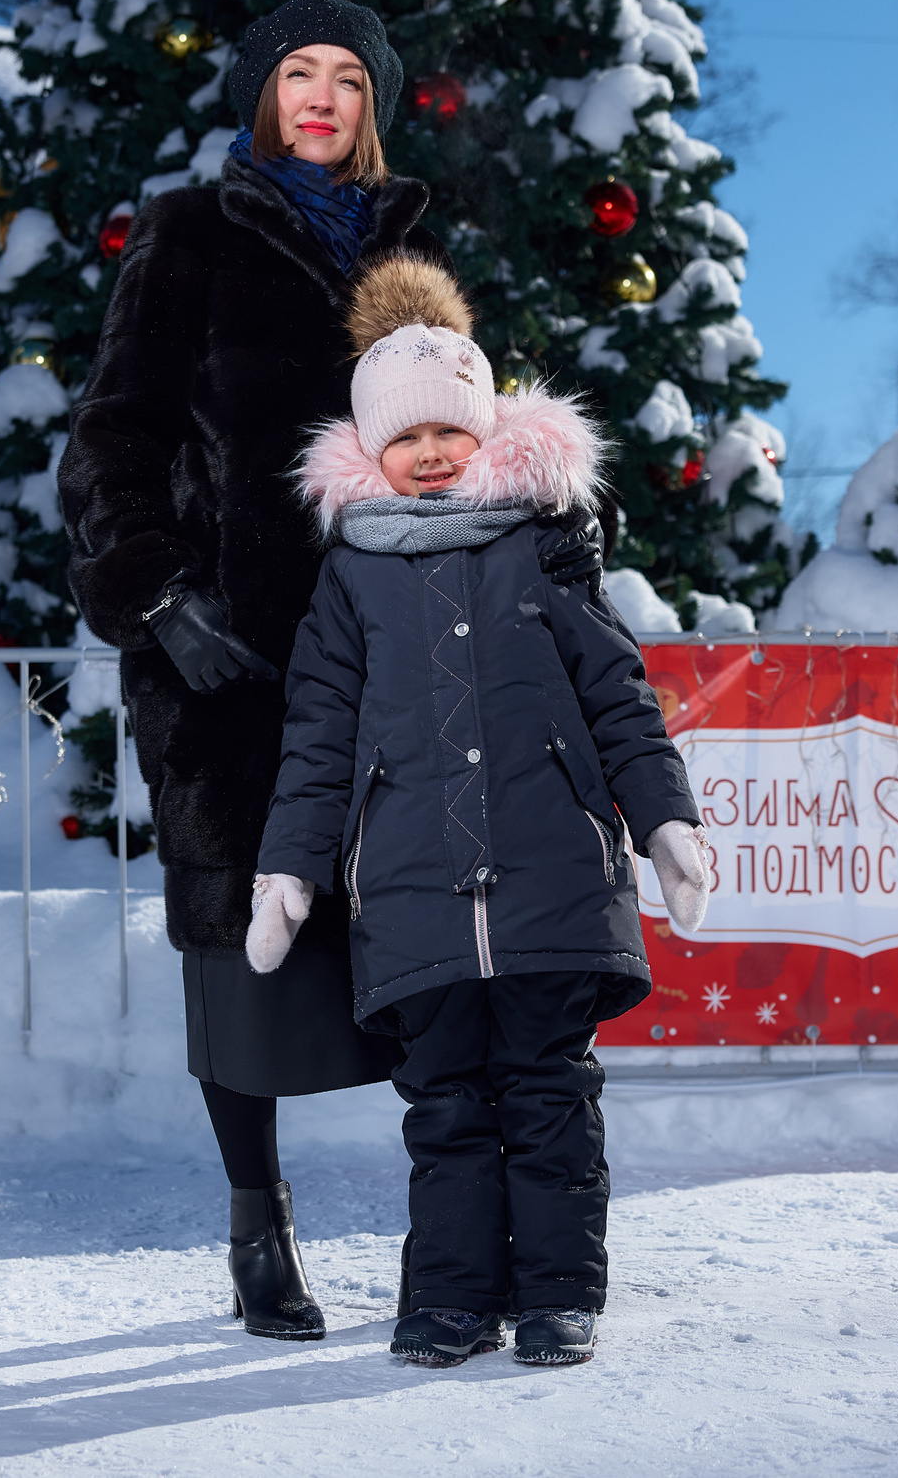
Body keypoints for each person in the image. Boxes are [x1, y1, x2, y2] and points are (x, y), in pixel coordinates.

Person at [57, 0, 602, 1342]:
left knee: (434, 941)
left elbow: (478, 422)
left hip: (410, 654)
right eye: (294, 73)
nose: (319, 95)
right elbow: (110, 440)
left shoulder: (415, 249)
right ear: (258, 95)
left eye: (346, 77)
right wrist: (155, 596)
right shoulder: (187, 234)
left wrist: (558, 506)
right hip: (232, 661)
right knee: (243, 958)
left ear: (375, 105)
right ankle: (257, 1221)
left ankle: (465, 1247)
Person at [250, 254, 714, 1368]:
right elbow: (317, 737)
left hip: (550, 872)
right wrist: (287, 869)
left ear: (485, 428)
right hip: (411, 888)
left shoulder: (544, 546)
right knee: (447, 1108)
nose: (427, 455)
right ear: (370, 452)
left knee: (547, 1095)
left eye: (446, 432)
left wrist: (663, 821)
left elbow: (616, 695)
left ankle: (559, 1292)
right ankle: (452, 1298)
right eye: (403, 439)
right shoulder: (350, 581)